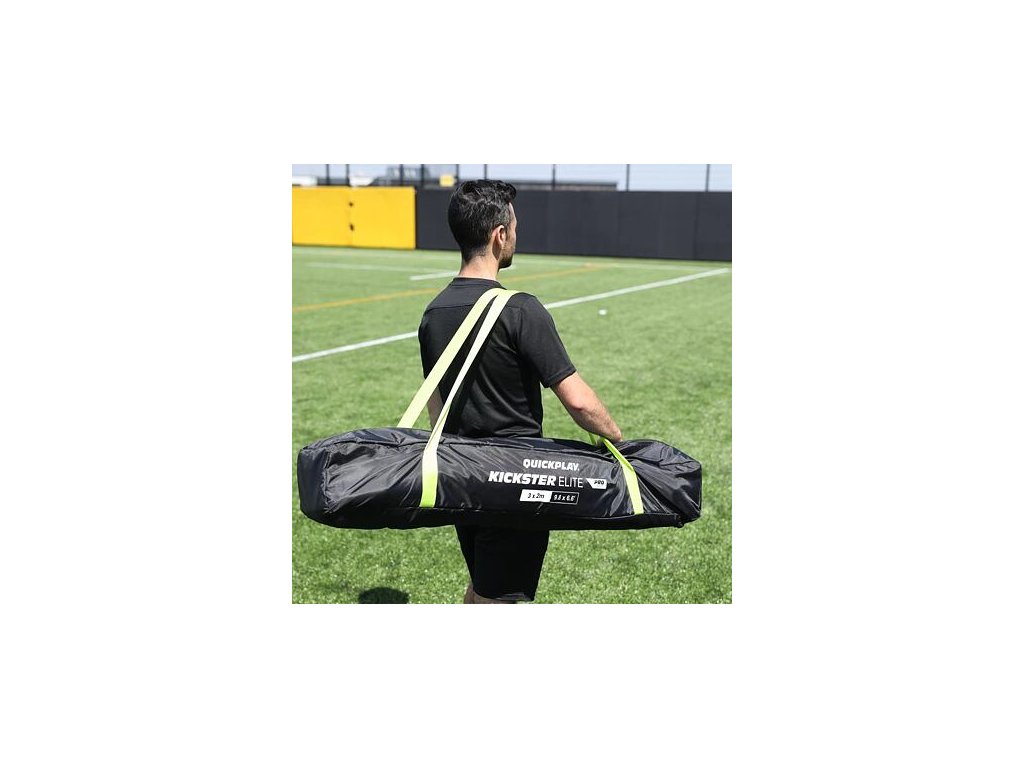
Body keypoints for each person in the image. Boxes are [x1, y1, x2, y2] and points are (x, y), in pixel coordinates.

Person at [418, 180, 622, 604]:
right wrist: (619, 443)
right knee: (502, 598)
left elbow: (437, 409)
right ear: (499, 235)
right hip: (516, 480)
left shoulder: (433, 313)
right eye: (514, 228)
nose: (516, 236)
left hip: (461, 475)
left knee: (483, 583)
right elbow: (579, 401)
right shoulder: (520, 309)